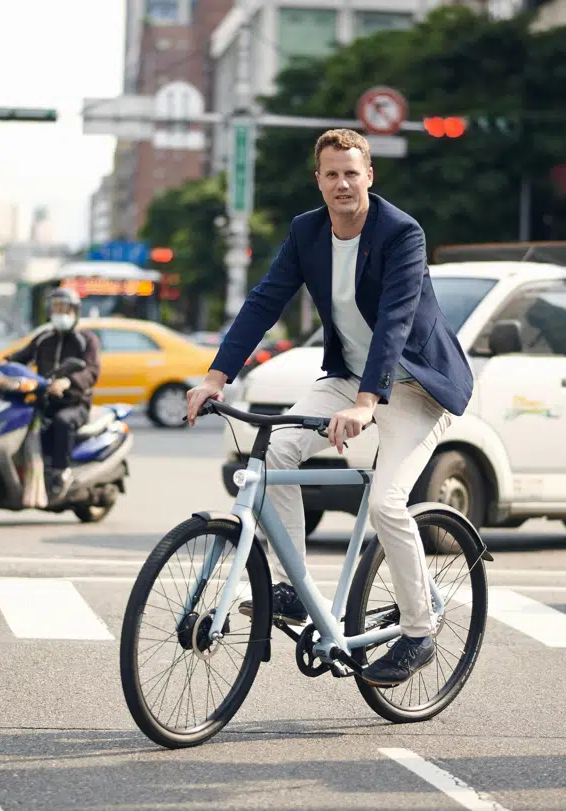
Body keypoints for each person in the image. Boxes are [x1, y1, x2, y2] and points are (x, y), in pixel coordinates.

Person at [185, 128, 475, 688]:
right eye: (331, 173)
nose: (342, 183)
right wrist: (216, 377)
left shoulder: (401, 233)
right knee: (275, 459)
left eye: (352, 172)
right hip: (347, 379)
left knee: (389, 504)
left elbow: (393, 321)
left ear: (369, 176)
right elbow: (264, 301)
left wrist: (370, 402)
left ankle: (418, 634)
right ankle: (295, 589)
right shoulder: (307, 232)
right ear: (318, 181)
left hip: (413, 387)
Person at [7, 288, 101, 500]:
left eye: (64, 308)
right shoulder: (44, 338)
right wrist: (1, 366)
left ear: (75, 311)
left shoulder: (87, 340)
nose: (60, 312)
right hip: (44, 399)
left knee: (61, 421)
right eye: (56, 308)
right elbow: (21, 357)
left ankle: (61, 472)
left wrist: (68, 382)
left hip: (75, 403)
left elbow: (92, 371)